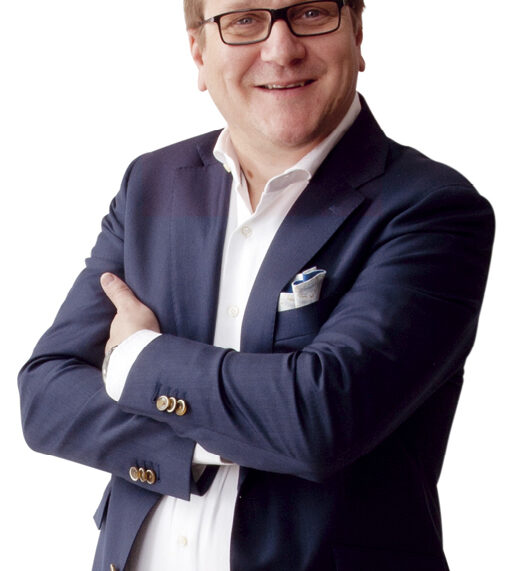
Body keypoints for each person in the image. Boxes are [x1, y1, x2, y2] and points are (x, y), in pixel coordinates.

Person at [18, 0, 495, 569]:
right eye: (243, 20)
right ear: (198, 52)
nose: (281, 49)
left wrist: (136, 361)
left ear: (358, 32)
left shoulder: (431, 208)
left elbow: (321, 418)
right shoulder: (151, 183)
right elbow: (46, 396)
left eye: (311, 13)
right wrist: (235, 432)